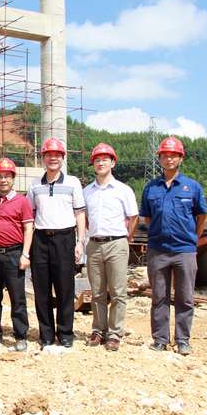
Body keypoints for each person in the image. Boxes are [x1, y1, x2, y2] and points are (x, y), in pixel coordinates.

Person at [140, 136, 207, 355]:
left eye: (173, 155)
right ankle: (160, 339)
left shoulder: (192, 187)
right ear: (159, 158)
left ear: (181, 158)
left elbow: (202, 217)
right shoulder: (151, 188)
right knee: (159, 297)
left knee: (185, 297)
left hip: (184, 251)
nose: (169, 159)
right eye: (165, 155)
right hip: (157, 250)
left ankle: (182, 339)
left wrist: (192, 239)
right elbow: (148, 218)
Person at [26, 137, 86, 348]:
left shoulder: (73, 183)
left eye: (57, 155)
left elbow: (80, 214)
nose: (53, 158)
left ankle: (66, 333)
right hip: (41, 240)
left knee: (65, 289)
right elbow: (30, 217)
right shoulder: (34, 185)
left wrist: (80, 242)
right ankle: (46, 335)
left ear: (62, 158)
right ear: (42, 158)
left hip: (65, 239)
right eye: (49, 155)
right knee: (41, 290)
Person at [83, 143, 139, 352]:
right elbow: (85, 218)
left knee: (117, 292)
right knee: (97, 292)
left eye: (105, 160)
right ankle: (99, 330)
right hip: (94, 244)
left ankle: (115, 334)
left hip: (117, 243)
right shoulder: (87, 192)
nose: (101, 163)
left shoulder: (123, 190)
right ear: (93, 164)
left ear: (113, 163)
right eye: (97, 160)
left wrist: (126, 239)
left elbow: (133, 217)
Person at [0, 158, 33, 352]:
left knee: (17, 297)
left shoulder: (23, 202)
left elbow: (28, 229)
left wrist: (25, 254)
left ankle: (20, 335)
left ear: (13, 179)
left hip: (14, 253)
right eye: (0, 176)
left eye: (7, 176)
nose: (3, 180)